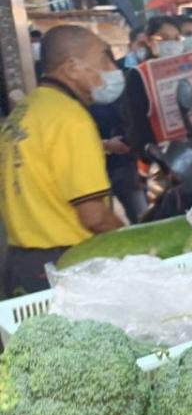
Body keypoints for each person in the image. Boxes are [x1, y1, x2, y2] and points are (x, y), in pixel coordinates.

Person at [0, 25, 124, 297]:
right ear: (72, 68)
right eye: (104, 57)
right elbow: (93, 215)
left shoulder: (26, 110)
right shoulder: (70, 118)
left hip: (21, 262)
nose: (112, 67)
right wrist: (130, 240)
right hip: (67, 265)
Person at [122, 15, 183, 157]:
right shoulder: (138, 74)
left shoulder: (188, 69)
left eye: (176, 38)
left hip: (187, 149)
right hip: (157, 154)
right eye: (164, 38)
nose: (172, 43)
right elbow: (135, 122)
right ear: (149, 41)